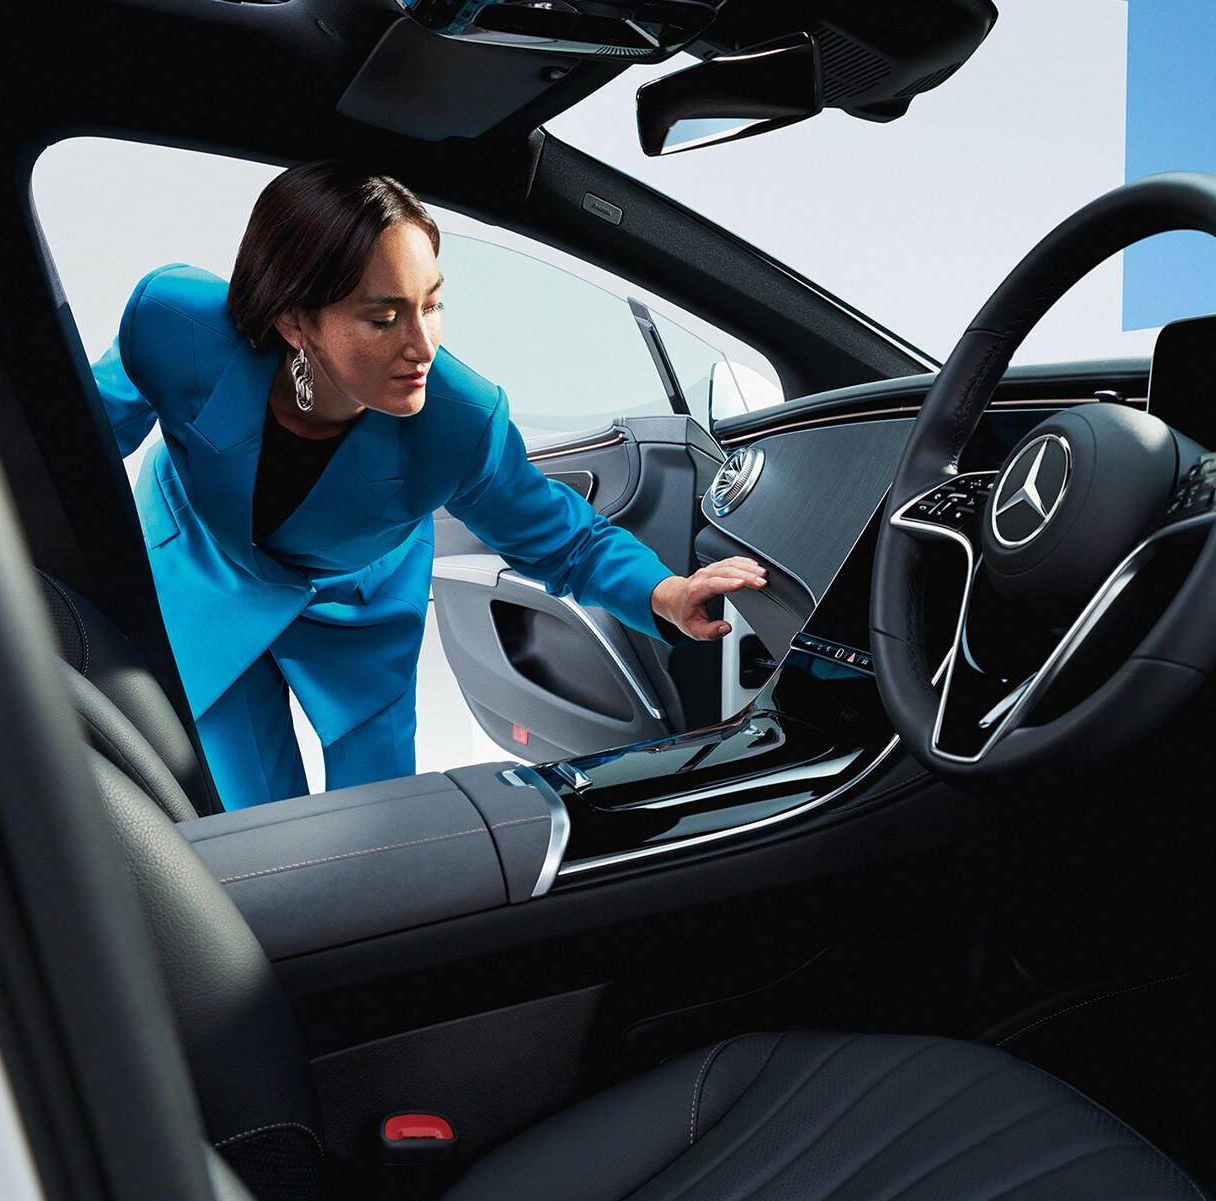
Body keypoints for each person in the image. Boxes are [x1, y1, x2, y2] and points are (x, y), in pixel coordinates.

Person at [93, 161, 767, 810]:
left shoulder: (460, 419)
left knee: (378, 824)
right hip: (208, 572)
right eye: (384, 318)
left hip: (360, 597)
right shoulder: (174, 324)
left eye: (432, 304)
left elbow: (565, 539)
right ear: (295, 321)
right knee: (248, 822)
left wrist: (665, 592)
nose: (422, 345)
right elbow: (76, 441)